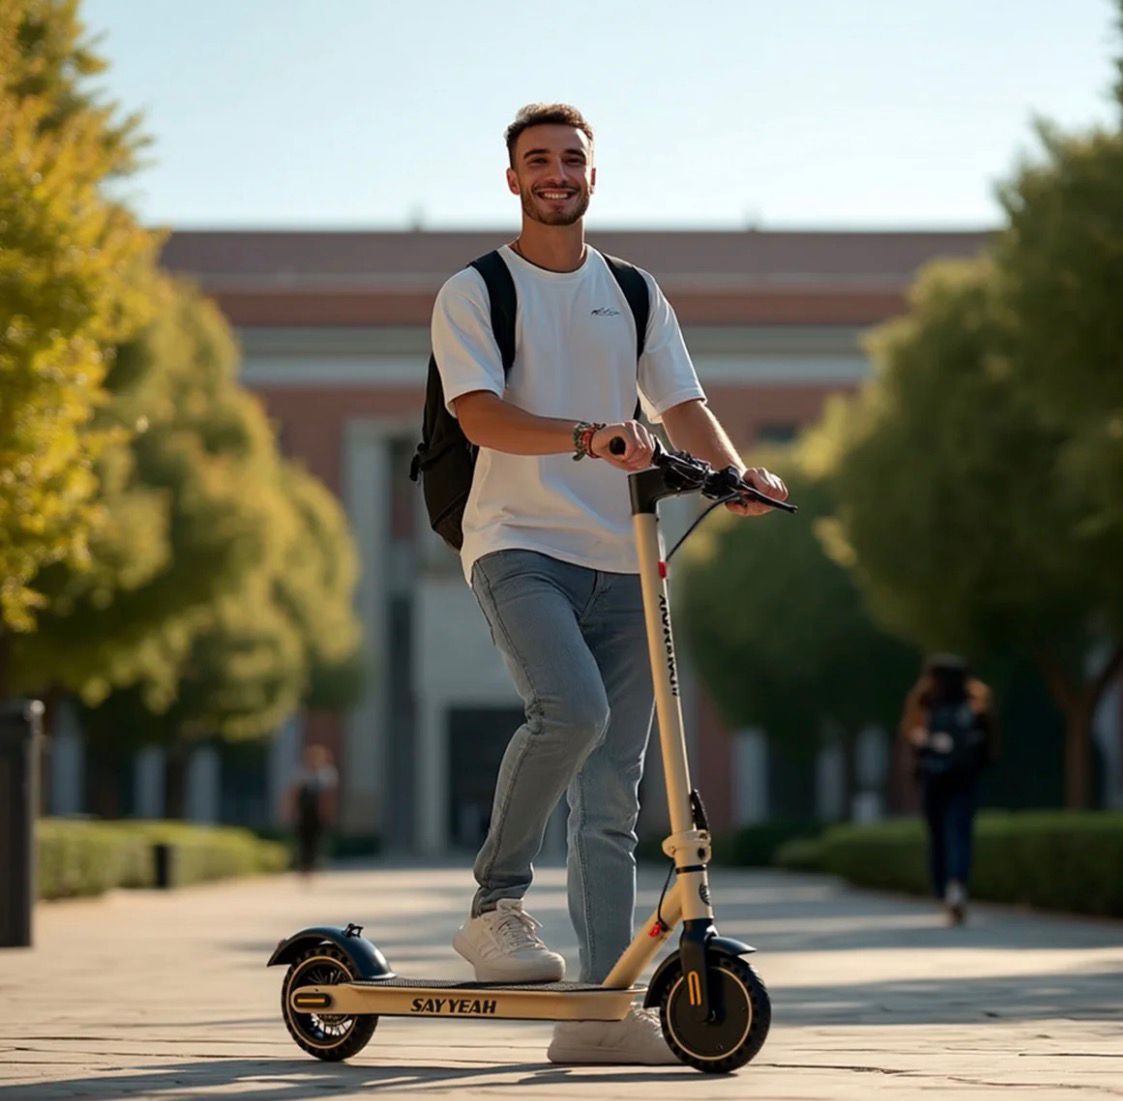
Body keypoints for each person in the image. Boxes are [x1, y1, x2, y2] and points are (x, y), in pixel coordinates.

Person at [430, 102, 787, 1065]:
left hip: (623, 555)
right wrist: (588, 435)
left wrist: (735, 472)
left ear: (594, 173)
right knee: (571, 712)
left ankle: (595, 1013)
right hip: (516, 544)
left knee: (615, 798)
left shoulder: (630, 289)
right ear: (512, 179)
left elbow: (680, 400)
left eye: (571, 159)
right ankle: (495, 905)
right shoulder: (476, 290)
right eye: (537, 160)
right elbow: (479, 416)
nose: (556, 172)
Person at [900, 654, 999, 925]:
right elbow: (988, 749)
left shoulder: (926, 703)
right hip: (965, 780)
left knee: (939, 836)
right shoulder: (975, 705)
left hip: (935, 781)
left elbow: (913, 739)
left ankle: (944, 889)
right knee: (961, 833)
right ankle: (957, 884)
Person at [285, 744, 338, 878]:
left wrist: (329, 811)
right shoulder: (301, 773)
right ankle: (304, 867)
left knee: (318, 839)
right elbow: (294, 793)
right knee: (304, 839)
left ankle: (316, 864)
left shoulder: (327, 774)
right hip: (305, 811)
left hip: (319, 811)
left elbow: (330, 796)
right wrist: (292, 810)